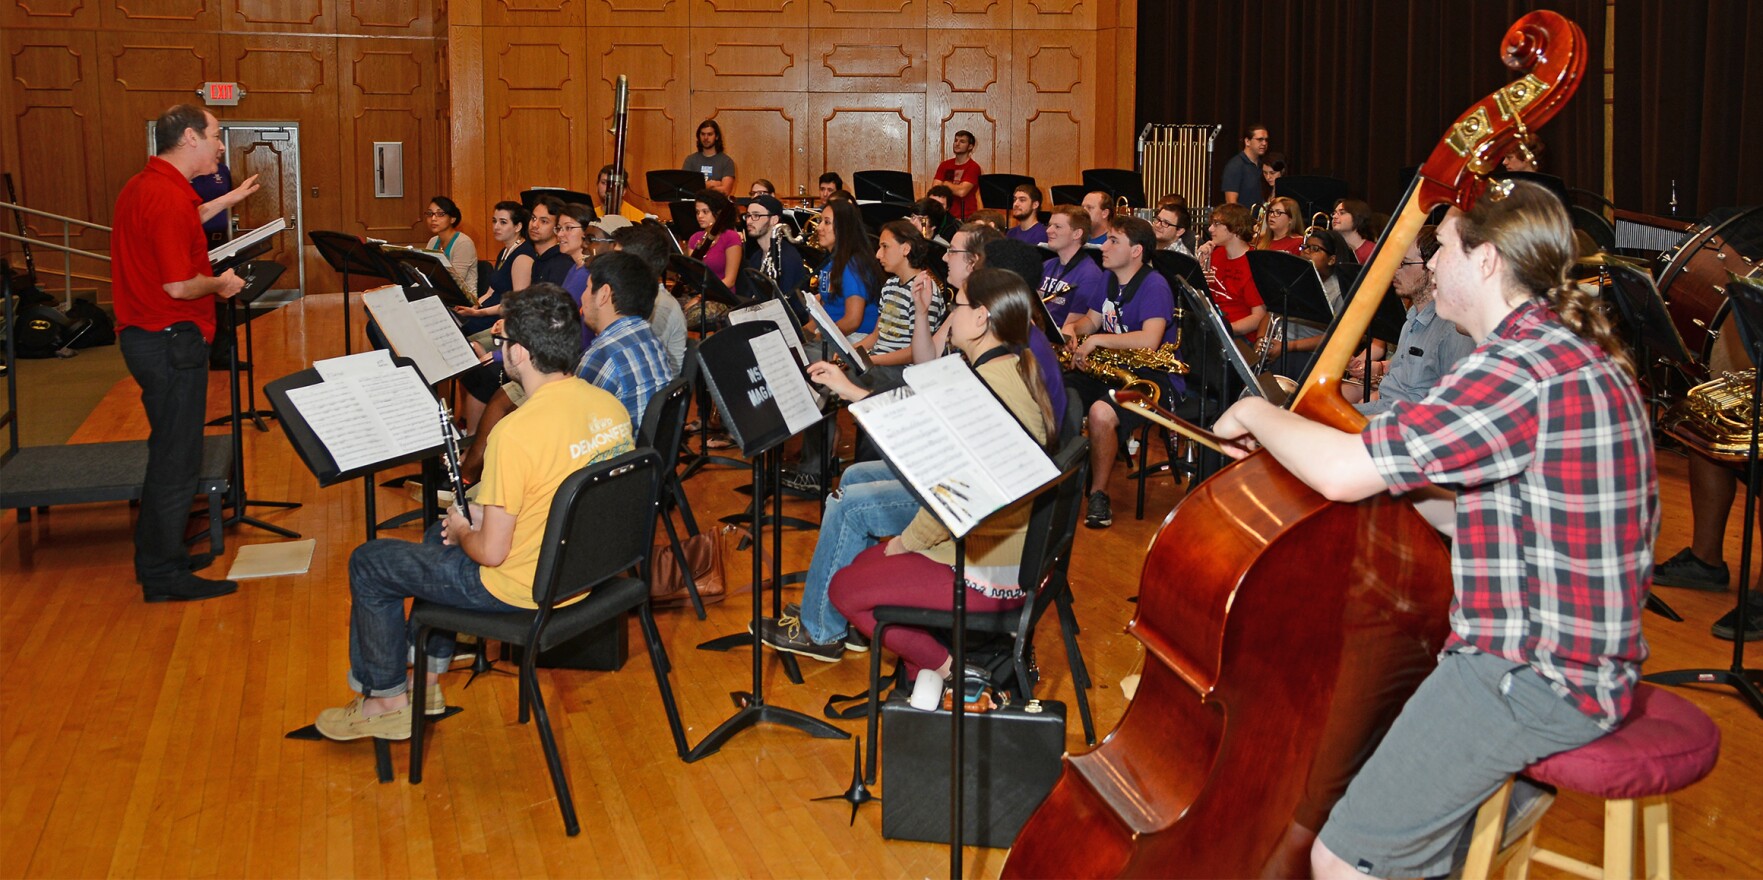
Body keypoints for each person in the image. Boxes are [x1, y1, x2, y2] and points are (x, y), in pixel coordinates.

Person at [1210, 181, 1656, 880]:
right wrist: (1370, 468)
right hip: (1581, 659)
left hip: (1531, 675)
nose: (1428, 261)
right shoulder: (1557, 348)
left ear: (1484, 262)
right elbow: (1477, 509)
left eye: (1441, 247)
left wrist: (1257, 415)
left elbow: (1342, 475)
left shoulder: (1517, 368)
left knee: (1340, 861)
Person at [313, 283, 635, 741]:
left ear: (519, 354)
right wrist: (466, 526)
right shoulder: (608, 406)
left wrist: (468, 530)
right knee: (435, 537)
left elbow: (489, 553)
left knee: (370, 563)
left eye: (502, 341)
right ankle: (424, 681)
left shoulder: (516, 433)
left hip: (522, 588)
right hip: (583, 573)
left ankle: (383, 700)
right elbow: (556, 493)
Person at [822, 268, 1058, 693]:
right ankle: (921, 685)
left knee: (845, 589)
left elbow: (958, 497)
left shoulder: (989, 388)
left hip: (990, 570)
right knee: (863, 567)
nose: (951, 312)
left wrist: (906, 543)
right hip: (1000, 552)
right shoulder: (1003, 368)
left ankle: (954, 672)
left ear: (982, 317)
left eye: (959, 304)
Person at [111, 104, 250, 602]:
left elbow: (182, 228)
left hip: (147, 338)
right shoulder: (167, 198)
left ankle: (160, 555)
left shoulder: (144, 187)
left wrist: (228, 199)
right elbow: (178, 284)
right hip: (170, 339)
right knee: (176, 460)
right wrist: (222, 283)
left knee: (168, 453)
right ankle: (162, 575)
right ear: (190, 137)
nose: (220, 145)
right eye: (216, 135)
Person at [1065, 215, 1184, 529]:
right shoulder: (1108, 278)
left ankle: (1099, 493)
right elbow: (1090, 320)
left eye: (1113, 240)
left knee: (1102, 413)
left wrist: (1097, 339)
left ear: (1136, 251)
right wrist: (1073, 331)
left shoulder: (1155, 284)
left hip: (1150, 377)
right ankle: (1060, 482)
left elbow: (1150, 338)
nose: (1104, 246)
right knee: (1057, 394)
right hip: (1112, 369)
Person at [785, 197, 884, 493]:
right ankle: (818, 454)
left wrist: (818, 337)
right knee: (791, 356)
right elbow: (826, 313)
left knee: (811, 372)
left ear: (844, 229)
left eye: (828, 222)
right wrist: (803, 333)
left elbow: (853, 320)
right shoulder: (831, 263)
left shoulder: (852, 264)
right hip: (838, 337)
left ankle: (815, 470)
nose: (821, 228)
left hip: (855, 343)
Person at [1348, 226, 1476, 414]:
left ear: (1432, 267)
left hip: (1405, 425)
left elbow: (1451, 408)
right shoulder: (1412, 318)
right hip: (1385, 410)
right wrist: (1380, 369)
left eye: (1404, 263)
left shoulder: (1453, 329)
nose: (1395, 270)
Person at [575, 251, 672, 425]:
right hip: (644, 450)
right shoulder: (648, 337)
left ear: (604, 294)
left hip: (618, 450)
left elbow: (571, 423)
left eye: (588, 288)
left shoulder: (604, 354)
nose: (582, 296)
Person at [856, 219, 948, 372]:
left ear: (905, 249)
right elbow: (877, 335)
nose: (878, 255)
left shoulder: (924, 289)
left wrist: (872, 360)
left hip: (902, 370)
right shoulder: (890, 285)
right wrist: (850, 352)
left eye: (885, 247)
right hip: (879, 364)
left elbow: (915, 352)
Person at [612, 220, 687, 376]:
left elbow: (639, 363)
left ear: (638, 266)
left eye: (618, 260)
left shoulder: (659, 306)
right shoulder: (636, 295)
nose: (612, 265)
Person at [1196, 203, 1268, 344]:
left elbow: (1258, 317)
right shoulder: (1217, 254)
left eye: (1216, 224)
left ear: (1235, 227)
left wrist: (1223, 329)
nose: (1210, 229)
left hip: (1238, 336)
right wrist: (1200, 265)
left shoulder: (1253, 264)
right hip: (1213, 325)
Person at [1038, 205, 1107, 331]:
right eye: (1049, 225)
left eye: (1057, 227)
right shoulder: (1047, 265)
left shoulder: (1090, 275)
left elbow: (1070, 331)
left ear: (1077, 234)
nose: (1048, 230)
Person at [740, 193, 808, 302]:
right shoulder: (756, 257)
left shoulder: (787, 258)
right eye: (748, 215)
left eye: (756, 215)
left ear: (774, 220)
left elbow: (789, 304)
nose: (749, 221)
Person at [686, 189, 743, 293]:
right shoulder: (694, 238)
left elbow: (730, 281)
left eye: (705, 212)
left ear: (718, 213)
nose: (700, 216)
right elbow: (693, 276)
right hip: (698, 294)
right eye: (697, 212)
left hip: (722, 296)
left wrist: (701, 297)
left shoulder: (731, 237)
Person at [422, 196, 479, 295]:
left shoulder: (463, 243)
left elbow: (455, 282)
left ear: (452, 219)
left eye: (440, 214)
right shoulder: (432, 241)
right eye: (430, 214)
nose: (433, 218)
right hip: (437, 294)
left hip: (461, 300)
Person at [933, 129, 982, 220]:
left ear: (970, 146)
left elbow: (962, 192)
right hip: (944, 214)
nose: (957, 144)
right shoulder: (945, 165)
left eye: (962, 141)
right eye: (956, 140)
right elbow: (935, 189)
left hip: (966, 217)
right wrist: (954, 187)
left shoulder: (973, 167)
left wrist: (946, 184)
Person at [527, 195, 572, 286]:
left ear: (557, 228)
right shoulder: (539, 259)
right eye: (533, 218)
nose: (534, 225)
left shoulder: (561, 264)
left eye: (544, 221)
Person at [682, 119, 736, 195]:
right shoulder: (690, 160)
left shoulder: (727, 161)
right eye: (703, 134)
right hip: (695, 205)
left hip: (717, 205)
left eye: (710, 134)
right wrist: (711, 184)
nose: (706, 138)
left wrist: (698, 186)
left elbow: (725, 191)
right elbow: (685, 188)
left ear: (716, 136)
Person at [1223, 123, 1270, 205]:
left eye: (1266, 140)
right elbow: (1231, 202)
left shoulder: (1263, 165)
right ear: (1247, 141)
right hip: (1243, 217)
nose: (1264, 143)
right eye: (1260, 140)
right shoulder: (1235, 165)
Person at [1333, 198, 1379, 264]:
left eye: (1342, 213)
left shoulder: (1373, 251)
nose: (1334, 216)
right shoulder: (1332, 248)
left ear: (1357, 217)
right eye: (1334, 213)